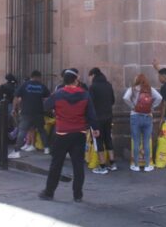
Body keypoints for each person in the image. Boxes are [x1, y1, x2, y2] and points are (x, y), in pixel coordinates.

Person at [39, 69, 99, 202]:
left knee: (56, 164)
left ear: (64, 81)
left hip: (62, 133)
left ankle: (49, 192)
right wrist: (95, 128)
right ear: (75, 80)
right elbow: (91, 113)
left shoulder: (58, 94)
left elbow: (45, 106)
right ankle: (78, 195)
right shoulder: (85, 94)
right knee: (78, 165)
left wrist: (57, 111)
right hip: (79, 133)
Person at [123, 74, 163, 172]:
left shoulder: (132, 89)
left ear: (136, 80)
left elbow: (125, 98)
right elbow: (159, 98)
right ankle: (147, 165)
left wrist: (132, 106)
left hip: (135, 116)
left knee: (136, 141)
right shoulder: (150, 89)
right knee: (146, 141)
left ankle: (136, 165)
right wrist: (152, 107)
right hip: (147, 116)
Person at [10, 71, 51, 159]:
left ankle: (17, 151)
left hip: (26, 112)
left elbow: (16, 97)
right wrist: (45, 107)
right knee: (42, 130)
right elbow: (48, 97)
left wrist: (14, 109)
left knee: (22, 131)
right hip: (39, 112)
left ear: (31, 76)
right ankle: (47, 148)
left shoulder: (25, 85)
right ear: (38, 77)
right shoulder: (42, 86)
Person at [88, 68, 116, 174]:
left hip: (97, 118)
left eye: (90, 76)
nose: (89, 78)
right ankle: (113, 163)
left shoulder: (93, 87)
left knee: (98, 140)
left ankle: (102, 166)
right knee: (108, 138)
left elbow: (90, 104)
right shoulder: (108, 85)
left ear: (93, 75)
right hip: (108, 116)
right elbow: (113, 100)